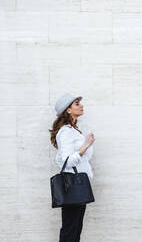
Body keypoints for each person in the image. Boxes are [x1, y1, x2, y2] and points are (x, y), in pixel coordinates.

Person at [49, 93, 96, 242]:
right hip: (72, 186)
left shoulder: (74, 130)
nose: (81, 105)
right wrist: (85, 146)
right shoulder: (65, 132)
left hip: (79, 185)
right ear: (68, 110)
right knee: (70, 230)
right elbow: (67, 161)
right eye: (76, 104)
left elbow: (64, 158)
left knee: (75, 230)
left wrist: (85, 147)